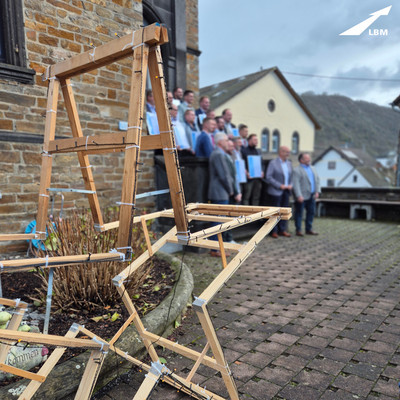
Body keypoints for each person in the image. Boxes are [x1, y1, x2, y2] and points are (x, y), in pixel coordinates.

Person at [208, 133, 240, 256]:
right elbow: (224, 175)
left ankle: (216, 248)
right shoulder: (218, 154)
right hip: (219, 192)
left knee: (219, 220)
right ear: (220, 142)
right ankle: (215, 249)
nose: (228, 142)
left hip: (221, 192)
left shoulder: (221, 154)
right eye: (226, 140)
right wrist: (231, 190)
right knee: (217, 221)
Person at [265, 145, 293, 238]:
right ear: (280, 152)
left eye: (289, 152)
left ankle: (282, 229)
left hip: (286, 191)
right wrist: (279, 185)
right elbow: (268, 177)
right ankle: (273, 231)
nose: (288, 154)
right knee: (275, 212)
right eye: (286, 152)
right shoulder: (273, 163)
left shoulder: (289, 163)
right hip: (276, 191)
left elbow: (291, 176)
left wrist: (290, 185)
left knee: (284, 211)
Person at [292, 152, 321, 236]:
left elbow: (317, 180)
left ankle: (309, 229)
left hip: (312, 195)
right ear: (301, 160)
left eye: (309, 158)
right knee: (299, 213)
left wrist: (317, 191)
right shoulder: (296, 170)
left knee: (311, 213)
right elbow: (296, 184)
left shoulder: (313, 168)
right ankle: (298, 230)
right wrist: (298, 195)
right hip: (301, 196)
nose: (309, 159)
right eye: (306, 158)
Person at [241, 134, 264, 205]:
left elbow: (261, 163)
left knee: (256, 197)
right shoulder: (244, 151)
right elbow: (242, 164)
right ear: (249, 141)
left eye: (257, 140)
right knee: (246, 197)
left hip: (258, 178)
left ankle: (255, 215)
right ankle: (246, 214)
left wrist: (262, 171)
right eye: (254, 140)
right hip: (249, 178)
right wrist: (246, 172)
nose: (256, 141)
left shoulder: (258, 151)